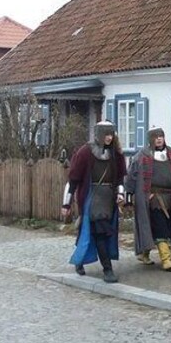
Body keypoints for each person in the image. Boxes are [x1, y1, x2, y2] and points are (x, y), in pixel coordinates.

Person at [61, 121, 127, 283]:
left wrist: (120, 194)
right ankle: (107, 269)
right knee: (100, 232)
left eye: (111, 134)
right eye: (106, 134)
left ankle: (79, 259)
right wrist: (66, 204)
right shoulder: (85, 153)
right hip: (91, 198)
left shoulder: (116, 154)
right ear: (99, 134)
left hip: (108, 199)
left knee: (90, 231)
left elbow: (119, 178)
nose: (109, 137)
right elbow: (73, 180)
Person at [126, 127, 171, 271]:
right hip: (153, 198)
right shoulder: (142, 156)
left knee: (161, 225)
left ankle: (144, 254)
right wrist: (129, 196)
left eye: (161, 136)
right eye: (156, 136)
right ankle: (166, 259)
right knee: (161, 227)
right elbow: (132, 176)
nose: (159, 139)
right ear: (150, 139)